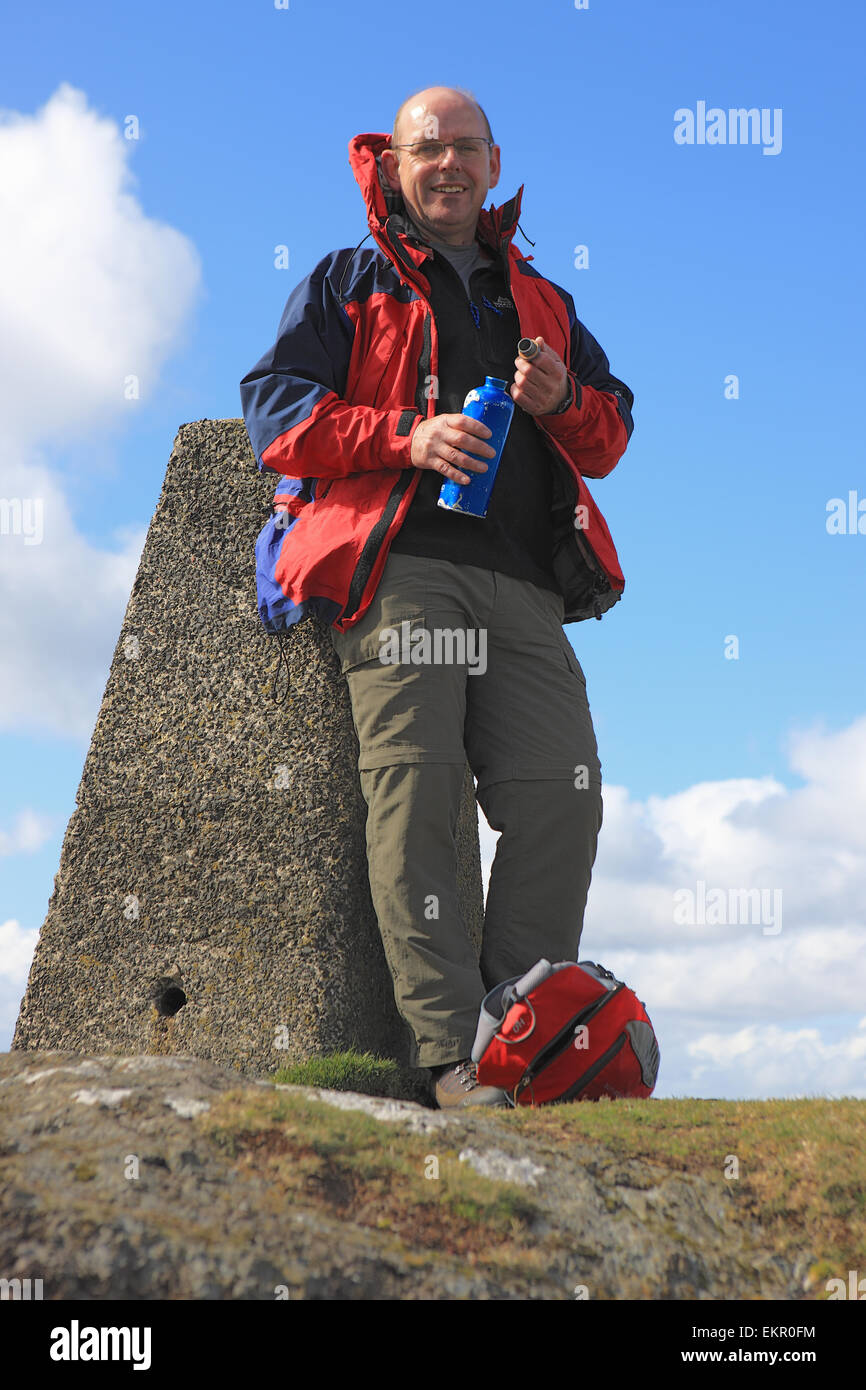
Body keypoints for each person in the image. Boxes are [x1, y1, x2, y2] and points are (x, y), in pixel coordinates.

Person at [239, 85, 634, 1109]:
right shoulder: (346, 278)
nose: (448, 163)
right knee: (415, 789)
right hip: (399, 564)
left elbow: (612, 436)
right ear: (395, 164)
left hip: (524, 584)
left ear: (493, 166)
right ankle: (445, 1059)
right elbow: (276, 414)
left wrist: (564, 400)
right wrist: (405, 439)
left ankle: (525, 1034)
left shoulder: (540, 298)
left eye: (466, 147)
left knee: (565, 789)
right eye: (428, 148)